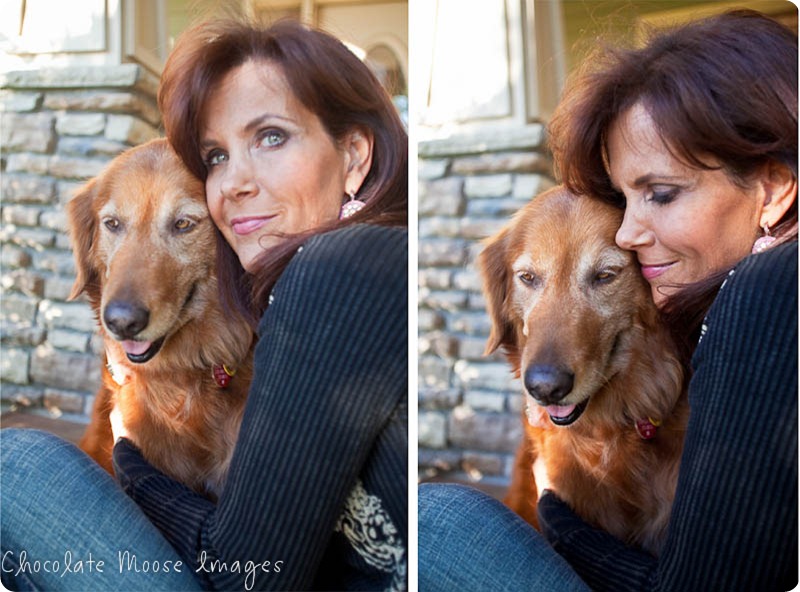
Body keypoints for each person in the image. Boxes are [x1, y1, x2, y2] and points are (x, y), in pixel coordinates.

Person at [2, 18, 408, 592]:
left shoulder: (337, 273)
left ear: (355, 156)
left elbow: (248, 572)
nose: (235, 183)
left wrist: (131, 462)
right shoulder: (367, 260)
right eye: (217, 155)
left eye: (271, 136)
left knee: (14, 466)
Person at [419, 9, 797, 592]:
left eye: (662, 194)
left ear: (772, 189)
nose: (626, 232)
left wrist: (557, 517)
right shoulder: (707, 297)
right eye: (623, 196)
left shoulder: (766, 298)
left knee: (435, 523)